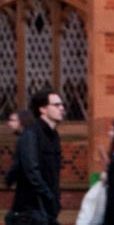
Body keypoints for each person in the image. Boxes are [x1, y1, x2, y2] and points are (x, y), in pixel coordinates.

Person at [8, 88, 64, 224]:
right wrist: (48, 196)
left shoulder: (54, 135)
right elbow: (31, 171)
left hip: (47, 210)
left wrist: (54, 200)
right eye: (56, 105)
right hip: (31, 211)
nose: (61, 108)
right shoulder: (31, 134)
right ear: (43, 109)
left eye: (61, 104)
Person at [4, 109, 35, 189]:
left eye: (13, 120)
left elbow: (20, 163)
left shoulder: (26, 138)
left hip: (27, 186)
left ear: (22, 121)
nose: (9, 123)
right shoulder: (27, 136)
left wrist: (9, 179)